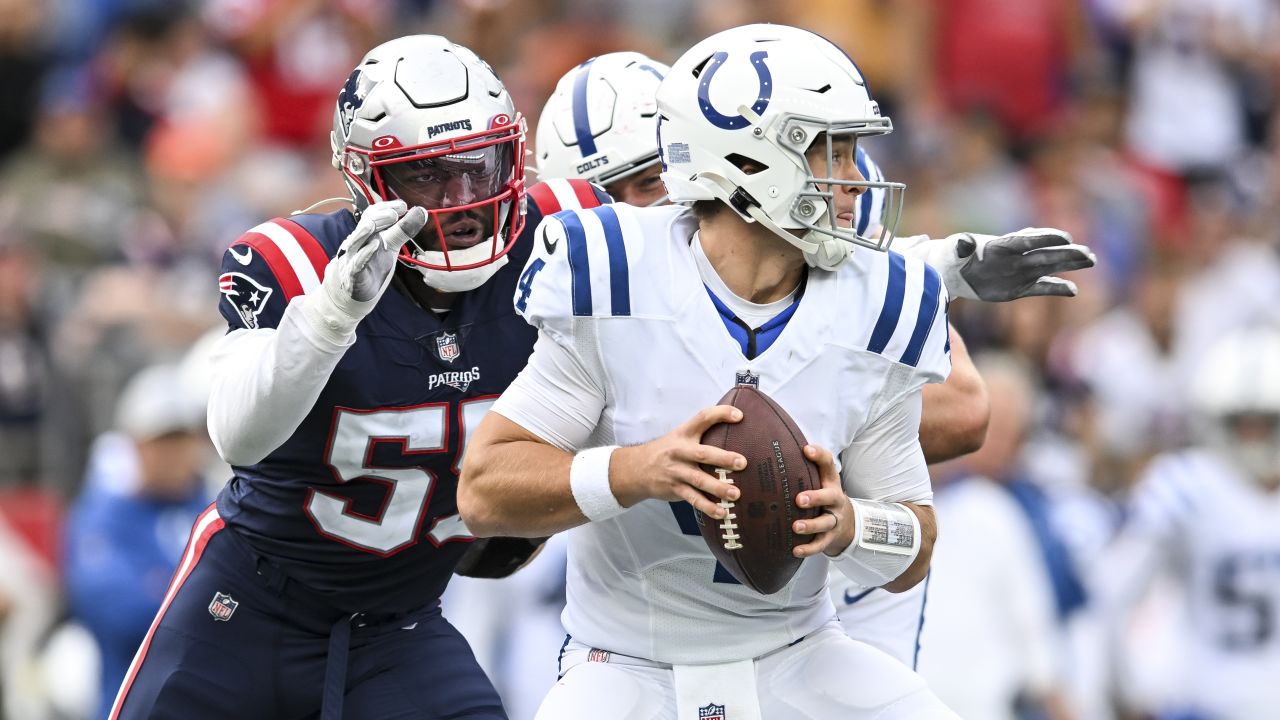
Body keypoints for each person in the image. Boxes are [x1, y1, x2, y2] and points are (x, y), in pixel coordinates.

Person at [461, 23, 978, 719]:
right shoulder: (616, 276)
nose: (856, 180)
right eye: (833, 151)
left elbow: (915, 545)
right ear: (750, 161)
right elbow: (485, 490)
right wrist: (636, 470)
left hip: (799, 651)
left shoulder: (882, 300)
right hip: (626, 663)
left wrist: (850, 523)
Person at [529, 49, 1095, 672]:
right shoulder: (584, 292)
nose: (664, 201)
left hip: (831, 598)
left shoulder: (823, 212)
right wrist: (627, 456)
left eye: (661, 174)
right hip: (643, 629)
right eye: (634, 189)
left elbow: (965, 412)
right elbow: (496, 518)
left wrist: (804, 425)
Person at [110, 35, 611, 720]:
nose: (462, 202)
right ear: (365, 177)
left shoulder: (561, 239)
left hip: (398, 625)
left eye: (480, 167)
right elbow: (238, 436)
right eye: (427, 175)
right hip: (248, 608)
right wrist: (328, 316)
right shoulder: (300, 261)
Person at [1095, 325, 1280, 720]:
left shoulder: (1187, 483)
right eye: (1242, 424)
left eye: (1265, 423)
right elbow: (1114, 590)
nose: (1255, 437)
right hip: (1210, 701)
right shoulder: (1187, 486)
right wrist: (1127, 693)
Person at [63, 362, 212, 720]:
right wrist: (205, 600)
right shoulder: (104, 516)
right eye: (163, 442)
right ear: (137, 445)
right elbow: (121, 613)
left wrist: (165, 587)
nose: (175, 454)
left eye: (182, 440)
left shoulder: (212, 506)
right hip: (131, 705)